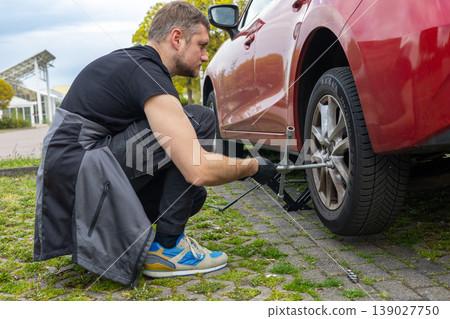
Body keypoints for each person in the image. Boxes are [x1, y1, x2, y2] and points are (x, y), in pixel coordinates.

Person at [33, 1, 277, 285]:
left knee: (192, 197)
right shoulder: (146, 71)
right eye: (201, 45)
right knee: (200, 119)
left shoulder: (132, 62)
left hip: (71, 189)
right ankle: (169, 248)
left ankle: (147, 242)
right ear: (177, 38)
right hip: (82, 176)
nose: (205, 55)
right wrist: (252, 166)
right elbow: (199, 169)